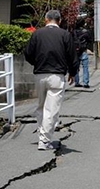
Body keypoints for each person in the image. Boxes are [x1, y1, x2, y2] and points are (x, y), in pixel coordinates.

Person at [24, 10, 79, 150]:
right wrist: (72, 73)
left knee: (41, 107)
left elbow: (28, 54)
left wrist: (37, 63)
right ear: (59, 21)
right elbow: (72, 57)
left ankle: (42, 135)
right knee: (51, 109)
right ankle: (44, 141)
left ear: (46, 19)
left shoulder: (37, 33)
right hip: (57, 75)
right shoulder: (65, 35)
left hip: (40, 74)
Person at [73, 18, 92, 88]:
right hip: (83, 50)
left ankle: (77, 82)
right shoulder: (86, 32)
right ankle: (86, 83)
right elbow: (90, 40)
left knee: (76, 67)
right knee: (85, 67)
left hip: (75, 51)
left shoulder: (74, 31)